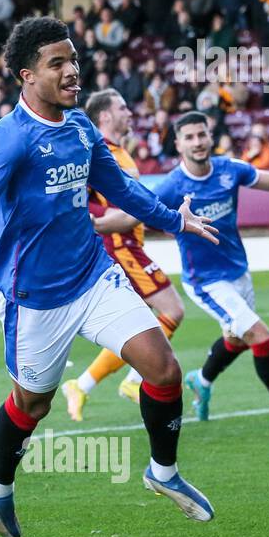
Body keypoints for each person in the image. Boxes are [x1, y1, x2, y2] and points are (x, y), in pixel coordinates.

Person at [0, 16, 220, 537]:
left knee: (164, 369)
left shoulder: (82, 128)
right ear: (26, 75)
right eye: (57, 63)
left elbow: (124, 192)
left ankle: (163, 472)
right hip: (34, 298)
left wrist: (176, 219)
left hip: (93, 276)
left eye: (74, 60)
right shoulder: (4, 142)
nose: (72, 72)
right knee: (32, 404)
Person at [120, 112, 269, 427]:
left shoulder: (229, 170)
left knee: (237, 339)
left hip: (238, 271)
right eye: (189, 137)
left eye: (201, 134)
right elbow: (137, 215)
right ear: (178, 144)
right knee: (261, 336)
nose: (197, 142)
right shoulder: (171, 187)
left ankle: (201, 381)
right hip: (206, 281)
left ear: (211, 136)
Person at [61, 88, 186, 420]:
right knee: (172, 310)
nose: (130, 113)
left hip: (129, 243)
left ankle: (85, 385)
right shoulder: (98, 153)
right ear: (105, 116)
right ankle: (128, 381)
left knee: (142, 323)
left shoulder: (114, 152)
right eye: (123, 107)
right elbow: (77, 198)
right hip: (120, 245)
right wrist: (97, 222)